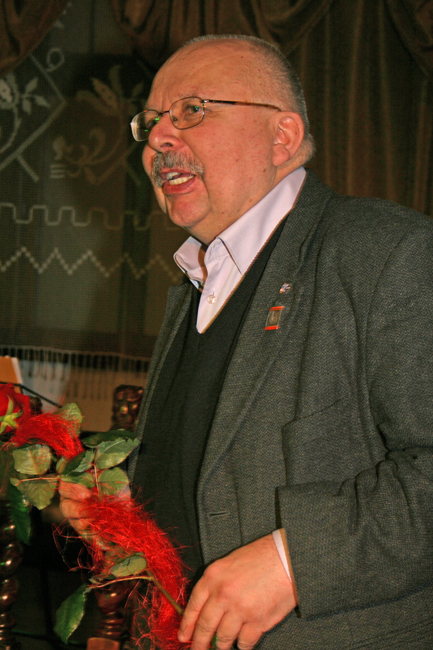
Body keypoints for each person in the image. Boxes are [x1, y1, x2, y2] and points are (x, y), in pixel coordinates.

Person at [61, 34, 433, 650]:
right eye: (151, 122)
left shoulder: (389, 252)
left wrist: (294, 562)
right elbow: (214, 472)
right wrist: (124, 504)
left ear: (282, 137)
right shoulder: (198, 281)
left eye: (192, 110)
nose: (158, 139)